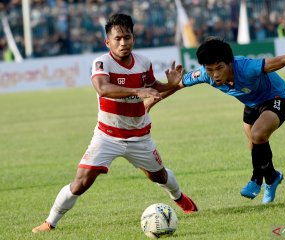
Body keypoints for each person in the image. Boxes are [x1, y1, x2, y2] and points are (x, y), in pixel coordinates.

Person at [32, 13, 197, 233]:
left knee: (159, 176)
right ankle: (50, 222)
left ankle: (180, 198)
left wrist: (170, 84)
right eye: (117, 38)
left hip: (140, 136)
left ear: (133, 38)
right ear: (107, 42)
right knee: (82, 181)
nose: (123, 42)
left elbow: (152, 87)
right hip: (107, 136)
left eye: (127, 37)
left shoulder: (143, 62)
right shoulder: (102, 62)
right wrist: (137, 91)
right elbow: (102, 88)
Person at [145, 37, 285, 205]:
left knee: (259, 134)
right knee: (254, 144)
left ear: (230, 63)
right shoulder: (205, 75)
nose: (215, 75)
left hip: (277, 98)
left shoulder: (249, 67)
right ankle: (272, 177)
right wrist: (149, 104)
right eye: (210, 70)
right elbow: (177, 84)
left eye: (219, 68)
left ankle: (256, 180)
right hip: (252, 104)